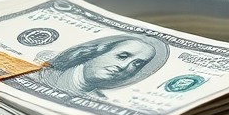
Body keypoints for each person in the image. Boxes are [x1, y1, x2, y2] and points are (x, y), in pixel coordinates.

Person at [32, 34, 164, 98]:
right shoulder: (39, 71)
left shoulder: (99, 100)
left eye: (137, 64)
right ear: (98, 52)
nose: (124, 66)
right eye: (122, 56)